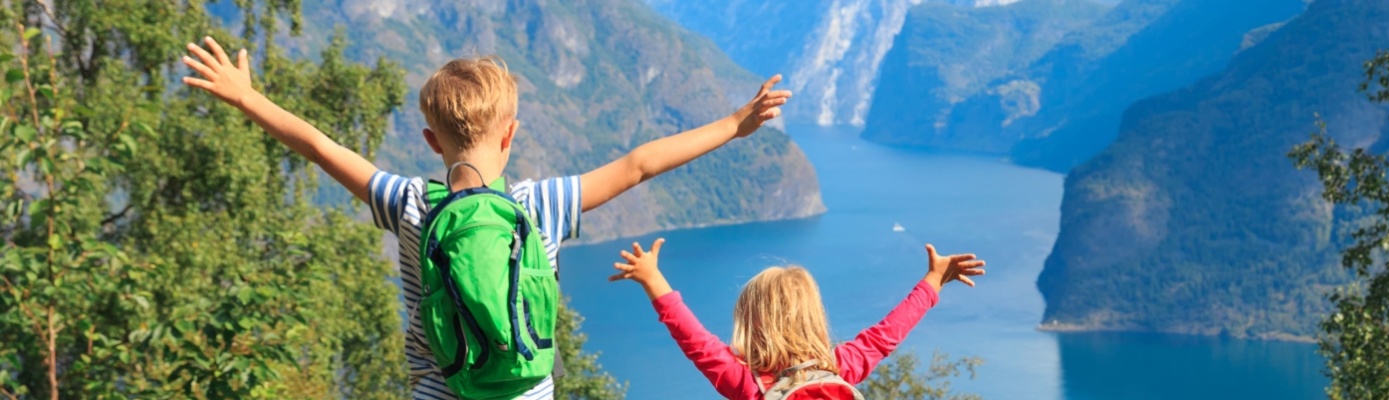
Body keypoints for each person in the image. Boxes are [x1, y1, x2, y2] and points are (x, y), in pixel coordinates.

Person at [180, 36, 792, 399]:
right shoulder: (539, 207)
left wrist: (247, 95)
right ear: (512, 135)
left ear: (429, 140)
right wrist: (735, 124)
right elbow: (638, 165)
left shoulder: (409, 203)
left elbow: (319, 146)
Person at [608, 238, 987, 400]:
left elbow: (694, 339)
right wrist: (933, 280)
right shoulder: (839, 368)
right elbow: (886, 335)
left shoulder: (748, 385)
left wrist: (652, 277)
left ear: (750, 321)